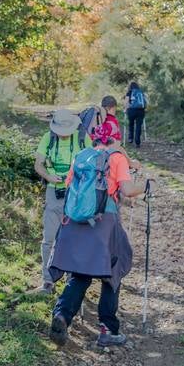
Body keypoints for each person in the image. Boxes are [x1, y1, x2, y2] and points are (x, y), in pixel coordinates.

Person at [47, 117, 143, 348]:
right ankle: (107, 328)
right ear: (115, 139)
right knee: (113, 271)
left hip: (75, 221)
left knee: (81, 273)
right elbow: (128, 190)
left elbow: (70, 187)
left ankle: (62, 316)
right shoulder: (116, 158)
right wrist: (147, 185)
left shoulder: (81, 156)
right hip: (103, 221)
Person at [33, 109, 89, 293]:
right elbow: (38, 164)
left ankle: (71, 279)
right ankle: (48, 281)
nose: (63, 136)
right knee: (49, 237)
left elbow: (91, 163)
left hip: (76, 194)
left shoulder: (82, 138)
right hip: (53, 192)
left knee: (73, 237)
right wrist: (49, 177)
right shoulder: (47, 138)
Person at [124, 81, 147, 147]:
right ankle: (137, 142)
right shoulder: (141, 92)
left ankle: (130, 138)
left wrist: (125, 109)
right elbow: (145, 101)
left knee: (131, 124)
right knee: (138, 126)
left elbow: (126, 102)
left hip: (132, 110)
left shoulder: (129, 92)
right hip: (141, 110)